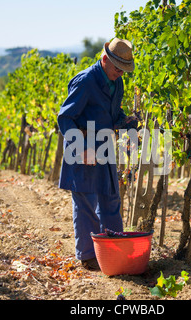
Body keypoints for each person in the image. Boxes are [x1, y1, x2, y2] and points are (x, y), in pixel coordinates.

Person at [57, 38, 137, 270]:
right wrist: (80, 148)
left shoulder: (116, 82)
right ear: (104, 60)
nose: (120, 73)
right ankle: (88, 256)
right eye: (117, 68)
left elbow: (112, 114)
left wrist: (125, 122)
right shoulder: (85, 81)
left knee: (110, 197)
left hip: (104, 145)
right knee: (85, 202)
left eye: (124, 70)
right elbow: (65, 117)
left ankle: (114, 249)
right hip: (82, 145)